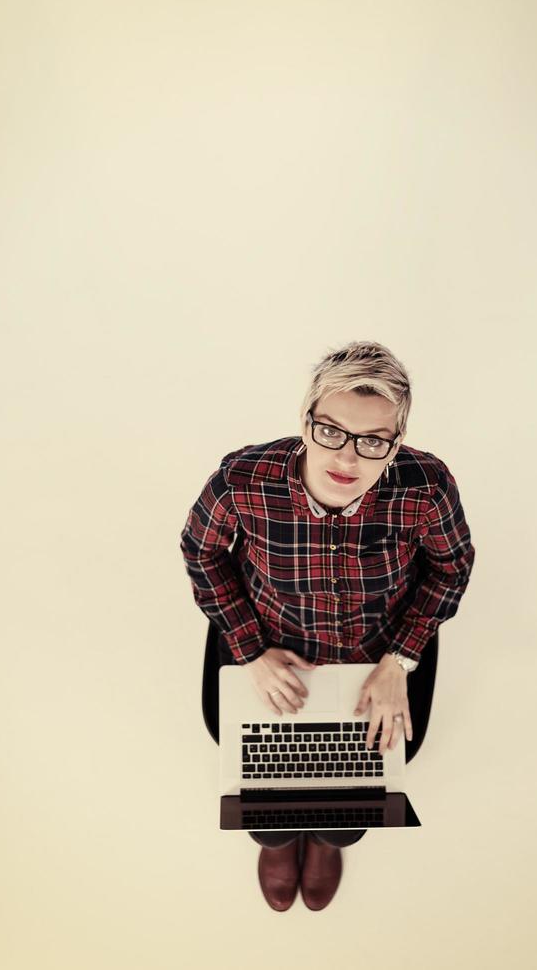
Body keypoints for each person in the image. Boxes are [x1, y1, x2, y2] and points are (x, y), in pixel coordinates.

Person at [180, 340, 475, 911]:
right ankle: (279, 839)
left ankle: (328, 840)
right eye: (330, 432)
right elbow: (201, 553)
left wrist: (399, 662)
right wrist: (250, 649)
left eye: (372, 441)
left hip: (380, 657)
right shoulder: (243, 480)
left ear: (396, 442)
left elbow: (451, 567)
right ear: (306, 421)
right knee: (259, 796)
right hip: (269, 649)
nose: (347, 458)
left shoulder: (426, 486)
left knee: (356, 801)